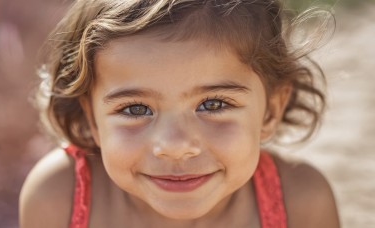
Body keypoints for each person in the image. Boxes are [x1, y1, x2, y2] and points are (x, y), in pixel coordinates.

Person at [19, 0, 340, 227]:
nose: (175, 144)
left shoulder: (301, 202)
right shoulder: (58, 199)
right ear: (92, 119)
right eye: (135, 109)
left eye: (213, 104)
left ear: (271, 110)